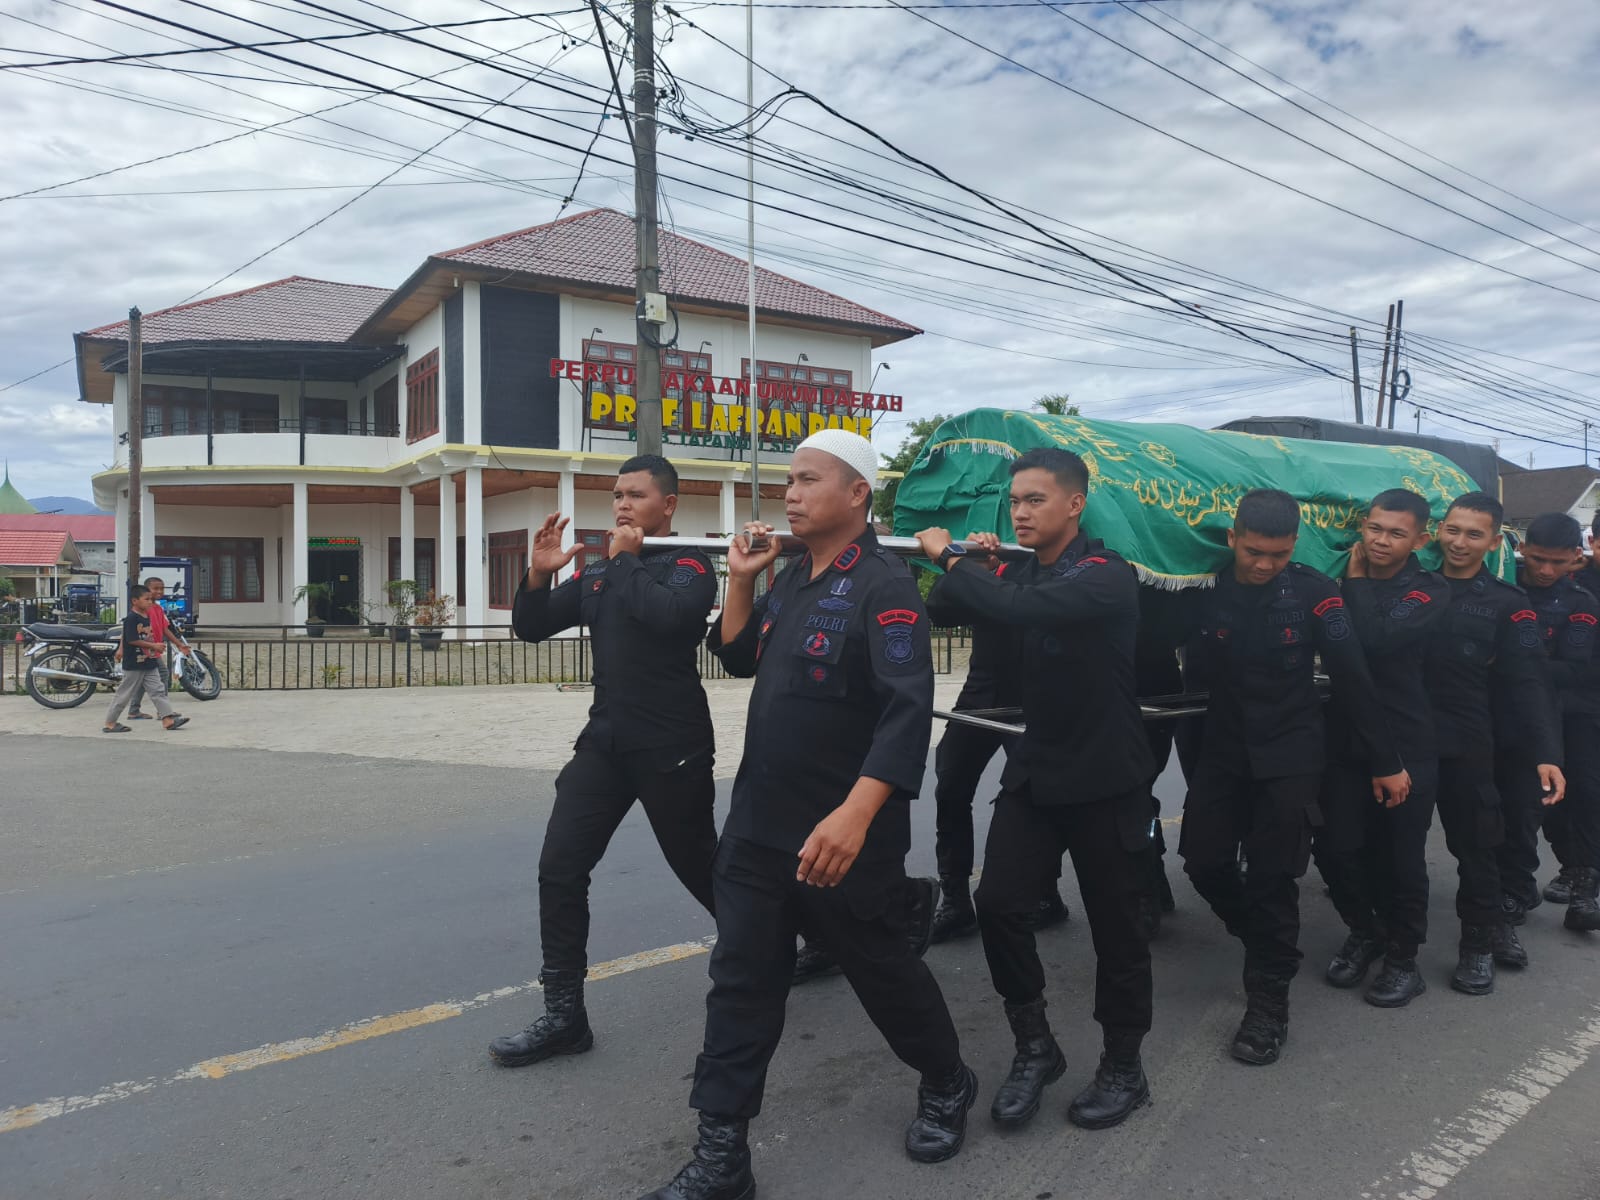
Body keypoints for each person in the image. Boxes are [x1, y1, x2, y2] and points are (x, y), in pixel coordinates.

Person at [644, 430, 973, 1200]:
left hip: (842, 838)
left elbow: (906, 714)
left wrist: (856, 817)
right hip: (760, 829)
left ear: (857, 493)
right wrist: (741, 581)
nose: (789, 494)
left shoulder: (884, 589)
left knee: (883, 973)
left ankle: (948, 1079)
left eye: (807, 480)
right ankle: (722, 1156)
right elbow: (736, 656)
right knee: (740, 982)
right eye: (787, 480)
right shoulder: (792, 576)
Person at [918, 446, 1158, 1132]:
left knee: (1118, 930)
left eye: (1035, 500)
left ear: (1074, 504)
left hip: (1107, 776)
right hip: (1038, 765)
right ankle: (1035, 1044)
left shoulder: (1105, 573)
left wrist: (954, 560)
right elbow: (946, 611)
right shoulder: (1019, 571)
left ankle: (1123, 1064)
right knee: (998, 904)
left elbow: (1026, 610)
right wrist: (976, 567)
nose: (1020, 512)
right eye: (1015, 501)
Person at [489, 455, 719, 1069]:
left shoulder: (692, 566)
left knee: (705, 871)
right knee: (559, 866)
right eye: (616, 495)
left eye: (635, 496)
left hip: (673, 745)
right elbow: (532, 627)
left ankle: (784, 943)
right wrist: (537, 576)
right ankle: (565, 1017)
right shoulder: (596, 578)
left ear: (667, 505)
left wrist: (622, 559)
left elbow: (669, 617)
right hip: (607, 742)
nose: (620, 505)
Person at [1179, 489, 1408, 1066]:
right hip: (1225, 751)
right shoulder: (1204, 588)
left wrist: (1387, 760)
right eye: (1254, 551)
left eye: (1278, 554)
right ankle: (1262, 941)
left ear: (1294, 547)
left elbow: (1353, 678)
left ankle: (1268, 1005)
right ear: (1232, 539)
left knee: (1274, 877)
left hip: (1292, 753)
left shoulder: (1313, 592)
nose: (1264, 564)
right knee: (1202, 861)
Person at [1312, 489, 1449, 1008]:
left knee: (1400, 857)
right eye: (1374, 529)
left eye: (1396, 533)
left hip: (1406, 742)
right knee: (1336, 846)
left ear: (1420, 538)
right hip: (1344, 739)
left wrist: (1353, 582)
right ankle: (1364, 929)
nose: (1381, 541)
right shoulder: (1335, 580)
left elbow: (1373, 638)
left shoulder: (1428, 590)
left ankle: (1402, 957)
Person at [1423, 492, 1564, 995]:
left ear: (1495, 541)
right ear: (1440, 530)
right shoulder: (1412, 589)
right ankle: (1388, 943)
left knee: (1477, 849)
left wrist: (1547, 753)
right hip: (1409, 744)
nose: (1460, 542)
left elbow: (1530, 683)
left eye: (1474, 534)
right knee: (1392, 850)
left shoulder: (1508, 603)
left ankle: (1479, 944)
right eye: (1453, 530)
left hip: (1470, 743)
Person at [927, 567, 1071, 943]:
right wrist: (961, 566)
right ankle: (955, 898)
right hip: (982, 687)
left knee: (1035, 790)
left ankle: (1046, 892)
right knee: (950, 784)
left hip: (1031, 690)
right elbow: (939, 611)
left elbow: (1021, 606)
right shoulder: (982, 565)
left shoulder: (1044, 561)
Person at [1495, 513, 1598, 932]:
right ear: (1521, 548)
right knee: (1520, 805)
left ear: (1576, 556)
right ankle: (1515, 886)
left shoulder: (1581, 603)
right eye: (1537, 559)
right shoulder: (1501, 584)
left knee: (1585, 793)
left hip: (1573, 713)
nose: (1545, 570)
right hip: (1509, 714)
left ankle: (1585, 886)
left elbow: (1574, 668)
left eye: (1557, 562)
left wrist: (1508, 663)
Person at [103, 584, 189, 733]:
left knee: (158, 690)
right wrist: (154, 646)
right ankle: (110, 723)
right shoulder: (131, 618)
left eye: (150, 599)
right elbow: (131, 639)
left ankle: (167, 719)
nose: (150, 602)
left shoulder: (146, 616)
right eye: (146, 599)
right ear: (135, 601)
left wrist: (153, 648)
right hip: (134, 662)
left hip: (149, 660)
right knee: (124, 694)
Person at [123, 575, 192, 719]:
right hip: (146, 649)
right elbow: (128, 631)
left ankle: (135, 711)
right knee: (162, 674)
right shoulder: (142, 610)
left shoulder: (158, 609)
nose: (159, 591)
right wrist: (121, 649)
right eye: (155, 589)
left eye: (161, 588)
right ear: (146, 591)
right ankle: (163, 712)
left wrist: (179, 644)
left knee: (142, 680)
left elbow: (165, 629)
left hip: (153, 649)